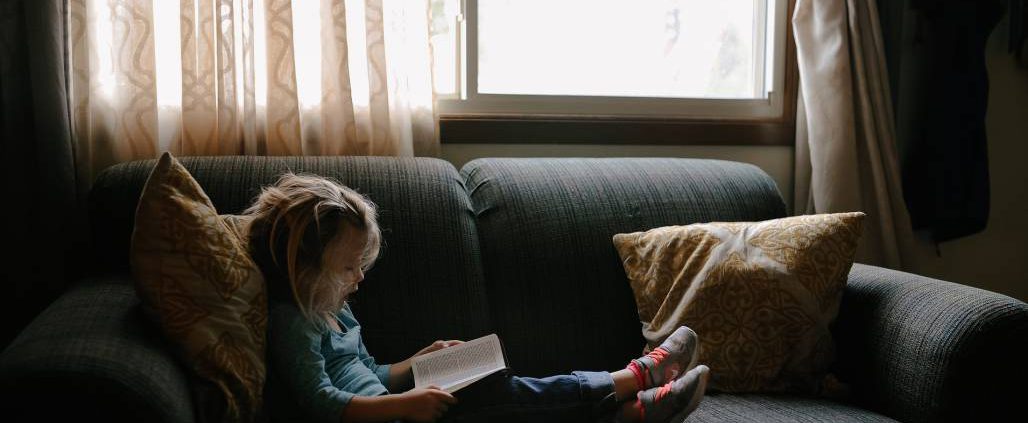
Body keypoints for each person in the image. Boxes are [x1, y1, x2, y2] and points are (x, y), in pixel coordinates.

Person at [243, 172, 711, 423]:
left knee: (493, 386)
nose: (359, 280)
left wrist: (415, 363)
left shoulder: (333, 308)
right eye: (347, 268)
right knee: (495, 399)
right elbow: (323, 402)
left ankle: (632, 410)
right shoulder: (293, 322)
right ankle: (634, 378)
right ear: (302, 267)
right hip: (387, 418)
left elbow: (369, 374)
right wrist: (407, 403)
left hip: (395, 408)